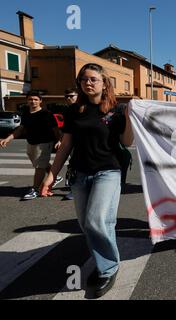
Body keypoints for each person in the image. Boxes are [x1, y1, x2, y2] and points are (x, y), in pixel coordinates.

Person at [41, 63, 134, 298]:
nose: (88, 83)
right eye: (83, 79)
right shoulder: (75, 110)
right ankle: (106, 260)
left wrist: (130, 118)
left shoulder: (116, 109)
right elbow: (66, 145)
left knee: (96, 221)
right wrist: (51, 175)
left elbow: (128, 141)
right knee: (88, 224)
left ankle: (108, 268)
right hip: (80, 174)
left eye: (93, 79)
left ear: (104, 83)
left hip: (108, 172)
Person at [0, 91, 63, 200]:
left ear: (40, 101)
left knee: (39, 166)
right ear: (27, 100)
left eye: (35, 99)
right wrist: (8, 139)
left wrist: (59, 140)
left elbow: (55, 129)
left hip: (44, 143)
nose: (33, 101)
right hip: (31, 143)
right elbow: (21, 129)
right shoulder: (26, 113)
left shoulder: (46, 114)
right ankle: (55, 177)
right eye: (30, 99)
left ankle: (35, 189)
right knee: (39, 163)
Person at [62, 88, 79, 201]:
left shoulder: (82, 109)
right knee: (73, 166)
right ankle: (74, 190)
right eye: (66, 96)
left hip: (83, 143)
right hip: (73, 143)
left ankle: (75, 190)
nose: (68, 98)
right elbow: (66, 130)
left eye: (71, 96)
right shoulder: (68, 110)